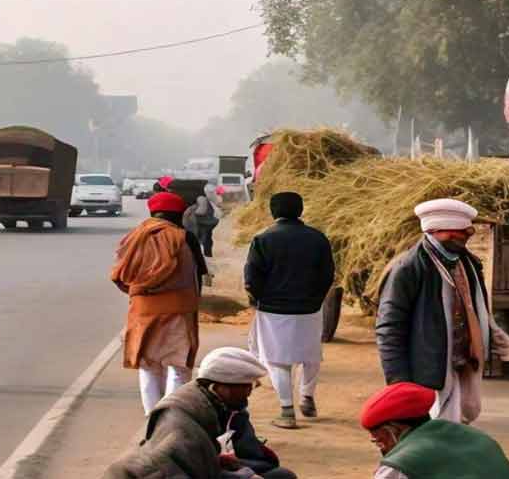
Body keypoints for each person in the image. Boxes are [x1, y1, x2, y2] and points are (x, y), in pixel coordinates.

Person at [374, 199, 509, 424]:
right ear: (434, 230)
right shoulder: (408, 268)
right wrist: (399, 382)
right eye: (457, 233)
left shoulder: (467, 263)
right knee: (432, 433)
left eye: (467, 232)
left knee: (458, 425)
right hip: (428, 372)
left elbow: (475, 307)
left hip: (462, 365)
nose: (465, 236)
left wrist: (492, 336)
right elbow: (389, 327)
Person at [104, 346, 296, 479]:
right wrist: (243, 474)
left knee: (279, 475)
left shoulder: (221, 404)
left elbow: (246, 449)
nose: (250, 390)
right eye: (246, 385)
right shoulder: (180, 419)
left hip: (195, 470)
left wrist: (232, 465)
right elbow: (183, 471)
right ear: (219, 387)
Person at [244, 191, 335, 429]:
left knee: (277, 361)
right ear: (300, 210)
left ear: (273, 212)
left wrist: (258, 298)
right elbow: (327, 275)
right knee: (311, 355)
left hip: (273, 309)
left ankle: (287, 411)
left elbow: (252, 278)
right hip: (310, 308)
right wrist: (316, 298)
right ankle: (307, 396)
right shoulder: (318, 238)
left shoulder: (263, 239)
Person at [113, 192, 207, 414]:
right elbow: (198, 274)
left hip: (142, 310)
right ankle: (171, 417)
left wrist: (139, 293)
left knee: (148, 366)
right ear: (178, 214)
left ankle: (152, 418)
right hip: (179, 310)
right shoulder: (184, 237)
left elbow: (120, 275)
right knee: (179, 366)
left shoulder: (133, 237)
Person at [360, 382, 509, 479]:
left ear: (395, 429)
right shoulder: (471, 435)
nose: (382, 449)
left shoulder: (401, 464)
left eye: (380, 441)